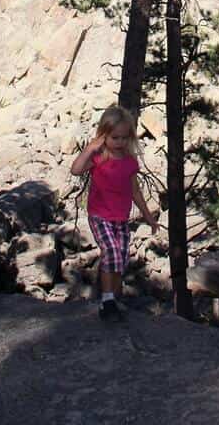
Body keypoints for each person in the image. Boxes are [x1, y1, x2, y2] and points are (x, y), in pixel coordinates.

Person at [71, 104, 158, 321]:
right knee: (110, 251)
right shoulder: (99, 157)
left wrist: (148, 217)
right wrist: (90, 148)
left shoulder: (129, 162)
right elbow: (76, 169)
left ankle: (113, 299)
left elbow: (135, 191)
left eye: (124, 138)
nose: (119, 143)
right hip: (100, 215)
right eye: (114, 138)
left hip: (120, 217)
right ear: (104, 136)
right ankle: (107, 299)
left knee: (120, 258)